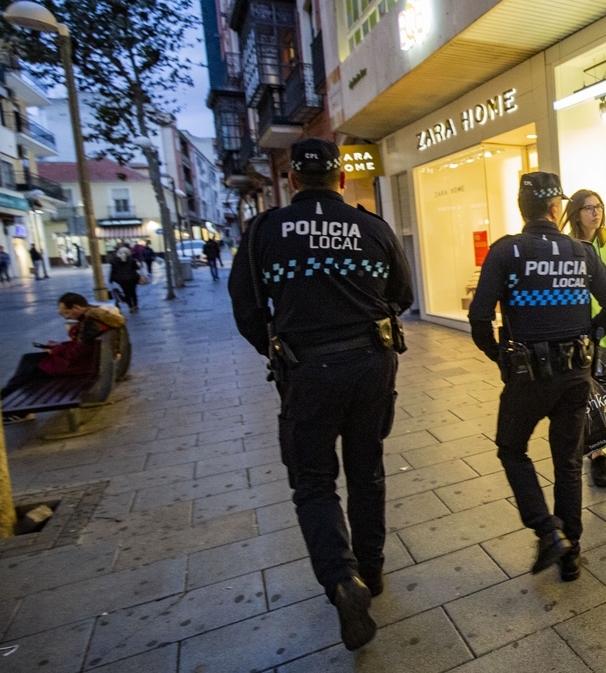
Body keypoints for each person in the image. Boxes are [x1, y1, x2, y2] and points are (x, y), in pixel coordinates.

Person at [229, 137, 413, 651]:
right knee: (367, 470)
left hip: (306, 372)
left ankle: (340, 578)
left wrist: (278, 347)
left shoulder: (264, 230)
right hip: (371, 366)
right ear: (341, 179)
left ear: (291, 180)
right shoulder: (371, 227)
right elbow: (403, 295)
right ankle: (371, 573)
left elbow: (245, 307)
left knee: (313, 483)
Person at [469, 172, 606, 583]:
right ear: (556, 209)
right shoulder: (581, 251)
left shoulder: (506, 252)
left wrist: (499, 356)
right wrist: (586, 335)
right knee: (569, 460)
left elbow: (479, 317)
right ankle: (570, 549)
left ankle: (546, 529)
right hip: (575, 374)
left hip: (527, 375)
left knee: (512, 448)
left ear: (523, 208)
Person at [562, 189, 606, 487]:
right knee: (580, 397)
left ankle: (598, 452)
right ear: (576, 213)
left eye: (599, 206)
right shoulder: (567, 247)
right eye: (589, 208)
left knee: (601, 393)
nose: (595, 212)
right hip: (578, 337)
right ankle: (593, 452)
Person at [0, 292, 125, 423]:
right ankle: (6, 398)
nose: (67, 317)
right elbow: (82, 347)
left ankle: (12, 406)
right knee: (28, 359)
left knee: (30, 372)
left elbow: (76, 354)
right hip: (87, 361)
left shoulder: (90, 323)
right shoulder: (93, 317)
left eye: (67, 312)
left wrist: (55, 350)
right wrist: (56, 347)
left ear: (76, 307)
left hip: (81, 366)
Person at [110, 247, 142, 313]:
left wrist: (111, 279)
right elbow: (137, 267)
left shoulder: (115, 261)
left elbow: (113, 271)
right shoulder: (131, 259)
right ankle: (135, 306)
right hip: (132, 279)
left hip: (122, 280)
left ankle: (131, 307)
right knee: (133, 293)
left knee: (126, 294)